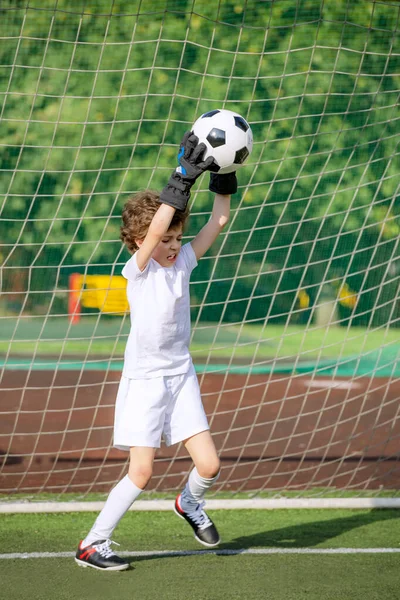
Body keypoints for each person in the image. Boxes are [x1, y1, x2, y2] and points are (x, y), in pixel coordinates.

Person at [75, 131, 237, 571]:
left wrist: (224, 176)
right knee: (141, 472)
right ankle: (93, 544)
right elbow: (157, 233)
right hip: (146, 381)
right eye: (164, 238)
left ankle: (189, 502)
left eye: (175, 237)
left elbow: (217, 222)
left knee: (209, 464)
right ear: (139, 241)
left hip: (180, 373)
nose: (171, 245)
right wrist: (181, 178)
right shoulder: (138, 269)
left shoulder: (182, 259)